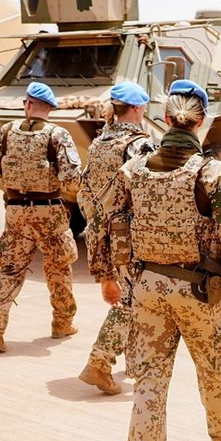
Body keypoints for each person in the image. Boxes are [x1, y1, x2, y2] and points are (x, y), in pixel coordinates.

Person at [97, 80, 221, 441]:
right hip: (199, 292)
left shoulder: (134, 169)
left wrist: (113, 276)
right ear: (201, 121)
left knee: (149, 382)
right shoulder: (211, 173)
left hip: (147, 288)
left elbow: (109, 223)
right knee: (215, 373)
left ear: (166, 118)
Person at [0, 81, 82, 351]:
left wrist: (10, 182)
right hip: (50, 211)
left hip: (15, 210)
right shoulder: (58, 134)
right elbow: (72, 178)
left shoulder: (6, 131)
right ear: (50, 108)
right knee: (59, 267)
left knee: (10, 269)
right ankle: (62, 323)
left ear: (27, 105)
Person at [77, 81, 156, 395]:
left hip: (102, 229)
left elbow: (84, 190)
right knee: (132, 298)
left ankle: (134, 363)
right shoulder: (139, 144)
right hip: (130, 233)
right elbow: (148, 191)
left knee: (132, 295)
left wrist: (98, 222)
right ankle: (100, 361)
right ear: (137, 109)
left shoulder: (99, 142)